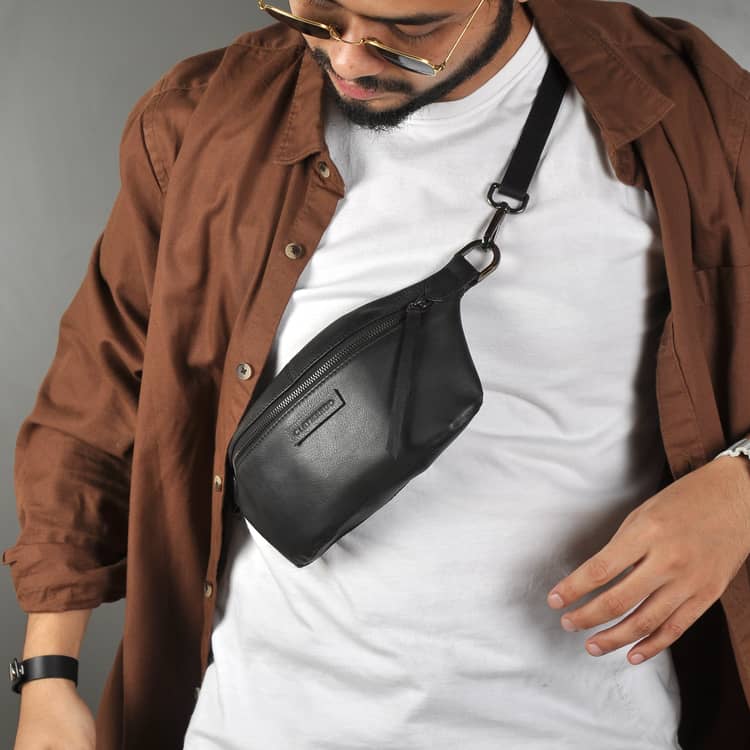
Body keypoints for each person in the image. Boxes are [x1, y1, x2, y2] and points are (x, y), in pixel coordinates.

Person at [5, 0, 750, 747]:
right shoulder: (202, 123)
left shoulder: (697, 116)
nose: (350, 60)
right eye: (319, 15)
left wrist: (739, 487)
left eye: (411, 31)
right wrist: (46, 675)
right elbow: (98, 392)